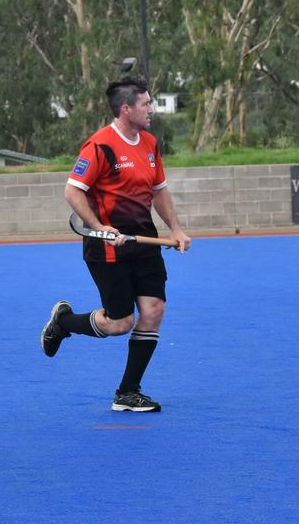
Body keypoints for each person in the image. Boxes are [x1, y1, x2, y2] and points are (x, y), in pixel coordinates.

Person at [41, 75, 192, 412]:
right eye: (145, 104)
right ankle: (64, 321)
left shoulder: (150, 144)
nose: (151, 109)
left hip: (143, 242)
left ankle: (128, 392)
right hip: (106, 247)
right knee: (120, 323)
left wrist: (176, 229)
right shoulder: (100, 146)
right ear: (126, 109)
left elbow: (159, 191)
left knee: (154, 311)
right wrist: (99, 227)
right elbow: (73, 190)